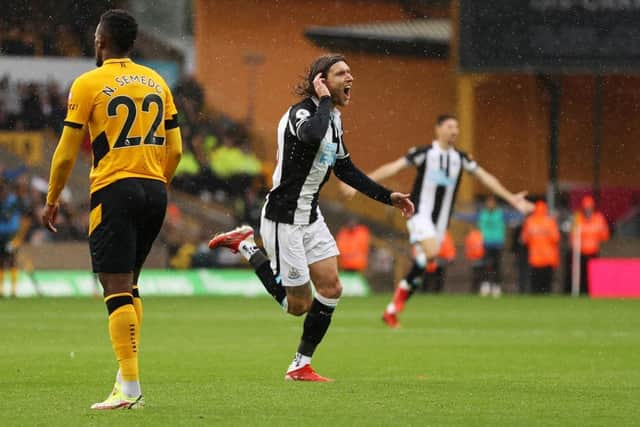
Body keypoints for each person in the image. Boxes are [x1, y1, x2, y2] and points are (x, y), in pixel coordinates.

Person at [209, 54, 414, 382]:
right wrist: (321, 99)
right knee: (297, 306)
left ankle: (300, 364)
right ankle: (247, 245)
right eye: (341, 73)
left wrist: (387, 196)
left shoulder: (330, 118)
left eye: (350, 72)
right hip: (283, 217)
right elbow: (310, 136)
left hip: (310, 216)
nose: (350, 78)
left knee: (331, 287)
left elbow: (345, 168)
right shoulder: (302, 113)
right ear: (321, 81)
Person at [41, 9, 182, 409]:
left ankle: (131, 390)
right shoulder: (157, 81)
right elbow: (177, 149)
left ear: (101, 42)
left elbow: (67, 151)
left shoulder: (89, 83)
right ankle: (126, 377)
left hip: (115, 190)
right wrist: (156, 182)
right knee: (130, 283)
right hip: (155, 189)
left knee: (114, 287)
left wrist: (52, 199)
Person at [341, 114, 533, 327]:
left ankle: (392, 310)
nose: (455, 131)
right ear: (438, 129)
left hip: (440, 224)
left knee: (423, 264)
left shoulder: (461, 159)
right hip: (419, 215)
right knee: (432, 252)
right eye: (450, 126)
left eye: (457, 127)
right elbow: (393, 168)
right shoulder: (424, 154)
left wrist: (510, 197)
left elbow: (485, 177)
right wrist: (359, 184)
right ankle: (408, 281)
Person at [568, 195, 609, 295]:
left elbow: (605, 235)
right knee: (580, 275)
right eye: (586, 208)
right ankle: (580, 292)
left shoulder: (599, 218)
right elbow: (572, 234)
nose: (588, 210)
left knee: (592, 275)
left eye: (590, 208)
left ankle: (592, 292)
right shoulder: (577, 218)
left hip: (593, 251)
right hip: (580, 252)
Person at [520, 201, 559, 294]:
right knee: (546, 284)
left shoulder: (529, 221)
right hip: (548, 256)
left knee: (535, 284)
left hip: (535, 257)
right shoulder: (550, 221)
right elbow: (556, 238)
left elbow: (524, 239)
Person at [477, 195, 506, 297]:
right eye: (488, 202)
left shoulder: (500, 214)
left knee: (497, 266)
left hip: (497, 243)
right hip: (486, 243)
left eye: (492, 202)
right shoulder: (483, 214)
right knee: (486, 265)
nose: (490, 204)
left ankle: (496, 287)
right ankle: (485, 286)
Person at [0, 181, 21, 298]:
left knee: (12, 260)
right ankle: (1, 290)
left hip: (11, 235)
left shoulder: (12, 202)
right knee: (1, 261)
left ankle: (14, 290)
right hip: (0, 235)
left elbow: (8, 215)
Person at [464, 227, 485, 293]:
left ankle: (474, 289)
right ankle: (477, 289)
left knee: (476, 275)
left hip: (474, 258)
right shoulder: (483, 235)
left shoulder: (470, 236)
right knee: (480, 275)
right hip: (481, 258)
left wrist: (469, 256)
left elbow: (468, 248)